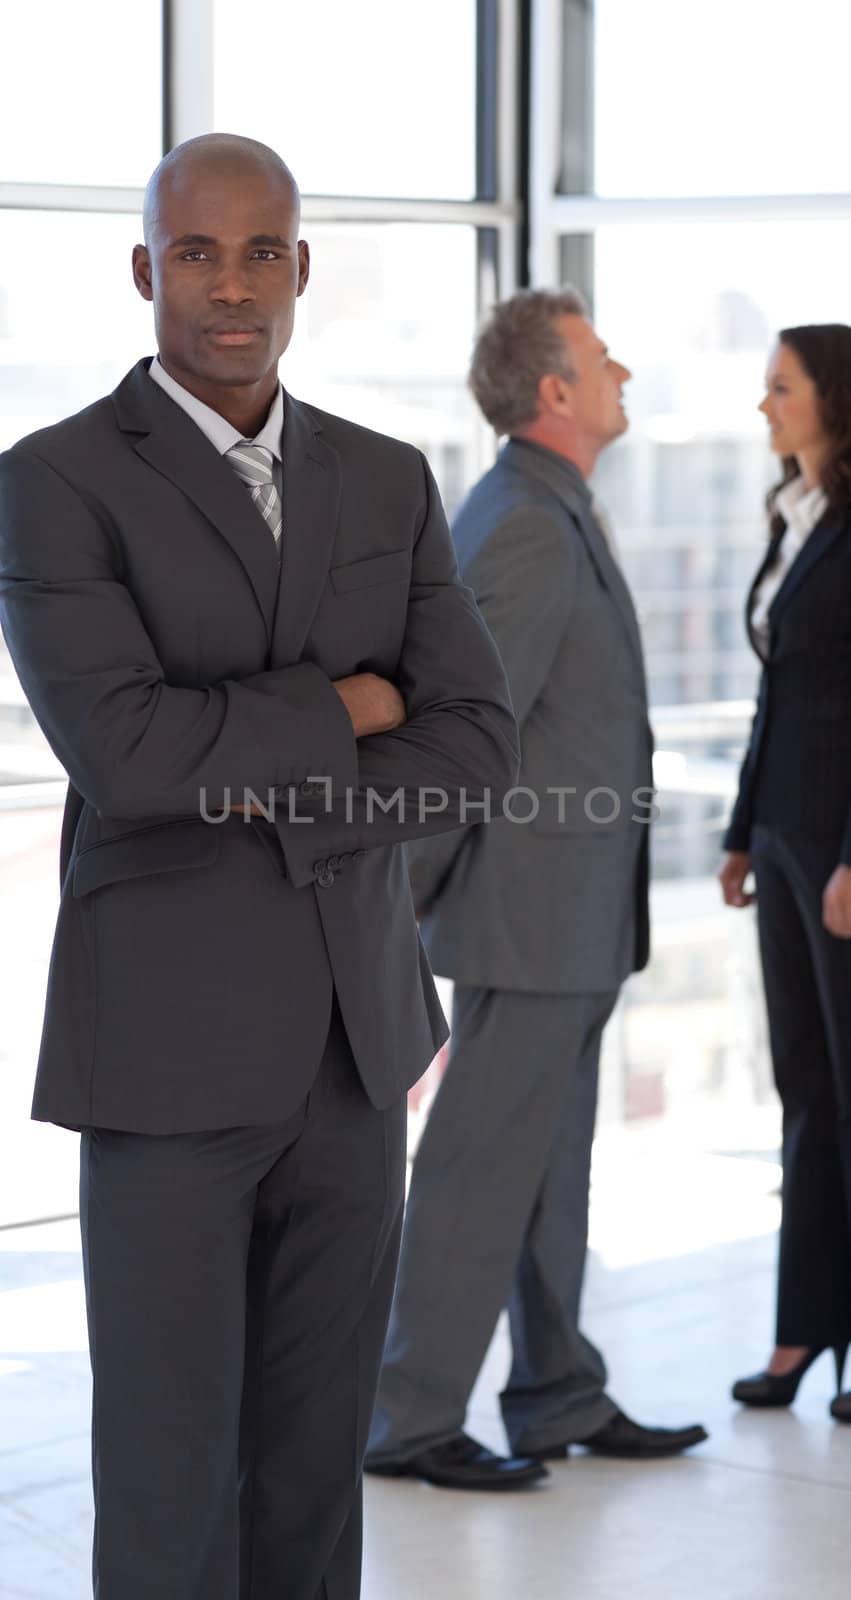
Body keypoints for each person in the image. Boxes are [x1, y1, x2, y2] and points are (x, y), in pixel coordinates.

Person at [0, 133, 519, 1599]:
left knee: (309, 1466)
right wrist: (350, 704)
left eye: (260, 251)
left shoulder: (383, 476)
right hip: (165, 1044)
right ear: (145, 270)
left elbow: (475, 738)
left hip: (356, 1048)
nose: (231, 286)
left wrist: (263, 766)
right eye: (196, 252)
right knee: (168, 1476)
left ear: (301, 265)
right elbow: (128, 760)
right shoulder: (55, 482)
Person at [365, 288, 709, 1491]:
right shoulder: (519, 517)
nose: (621, 372)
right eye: (602, 359)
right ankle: (403, 1417)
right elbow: (466, 731)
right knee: (475, 1169)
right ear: (553, 391)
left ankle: (556, 1387)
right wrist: (389, 909)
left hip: (566, 918)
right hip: (523, 917)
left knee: (548, 1164)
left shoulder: (548, 505)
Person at [720, 324, 851, 1424]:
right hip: (779, 835)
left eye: (779, 387)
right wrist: (736, 828)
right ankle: (803, 1325)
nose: (762, 403)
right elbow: (775, 691)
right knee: (804, 1090)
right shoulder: (792, 512)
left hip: (839, 850)